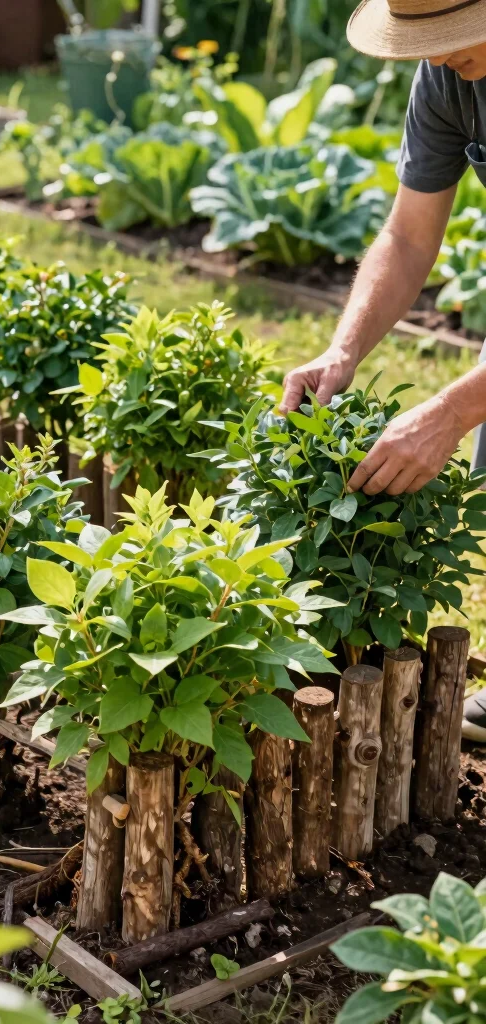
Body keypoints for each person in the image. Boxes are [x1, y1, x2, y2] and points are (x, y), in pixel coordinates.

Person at [279, 14, 486, 737]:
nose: (440, 54)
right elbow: (407, 235)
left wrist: (452, 412)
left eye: (460, 30)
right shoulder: (447, 77)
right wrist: (343, 350)